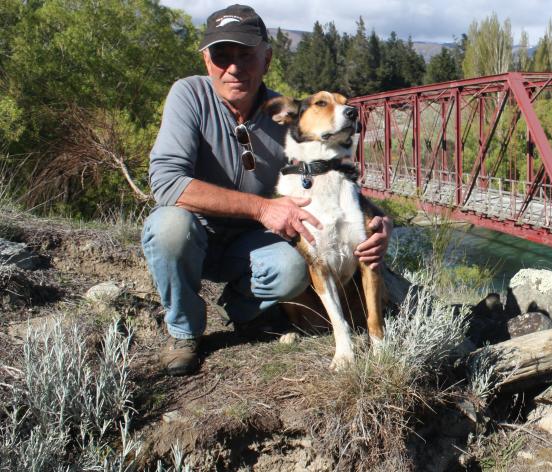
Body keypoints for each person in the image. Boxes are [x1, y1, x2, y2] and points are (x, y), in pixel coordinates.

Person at [142, 4, 390, 376]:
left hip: (255, 244)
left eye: (246, 54)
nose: (233, 67)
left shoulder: (285, 116)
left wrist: (379, 222)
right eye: (221, 55)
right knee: (169, 229)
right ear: (206, 59)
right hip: (197, 234)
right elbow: (165, 181)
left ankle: (243, 310)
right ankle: (184, 332)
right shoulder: (189, 95)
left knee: (293, 267)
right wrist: (262, 208)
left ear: (267, 58)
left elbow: (337, 174)